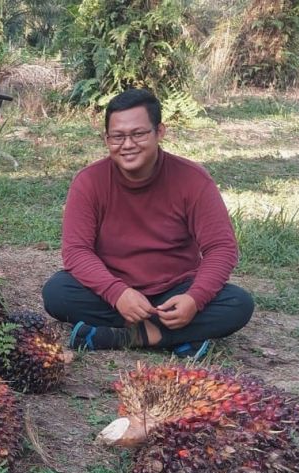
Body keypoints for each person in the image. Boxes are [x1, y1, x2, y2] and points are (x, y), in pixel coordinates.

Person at [41, 88, 254, 359]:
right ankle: (176, 338)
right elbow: (76, 251)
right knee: (57, 293)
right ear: (106, 139)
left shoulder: (193, 179)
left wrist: (194, 299)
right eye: (117, 136)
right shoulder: (89, 182)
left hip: (176, 292)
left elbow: (221, 248)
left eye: (138, 134)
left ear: (160, 132)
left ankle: (125, 336)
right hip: (115, 292)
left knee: (238, 304)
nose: (127, 144)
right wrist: (118, 293)